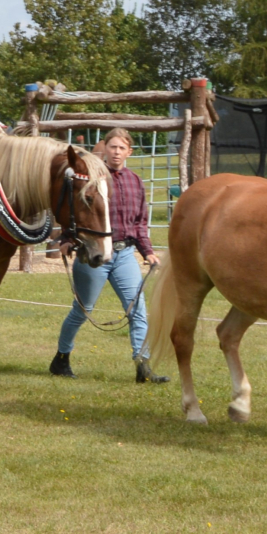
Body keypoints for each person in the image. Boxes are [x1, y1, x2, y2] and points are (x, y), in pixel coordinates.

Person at [49, 127, 167, 384]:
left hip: (124, 255)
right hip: (93, 254)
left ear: (129, 152)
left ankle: (142, 367)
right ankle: (61, 359)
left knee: (137, 311)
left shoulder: (135, 181)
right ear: (105, 149)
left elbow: (139, 223)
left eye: (121, 148)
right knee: (82, 310)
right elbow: (78, 213)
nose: (116, 152)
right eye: (112, 147)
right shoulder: (91, 178)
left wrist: (147, 252)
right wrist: (68, 239)